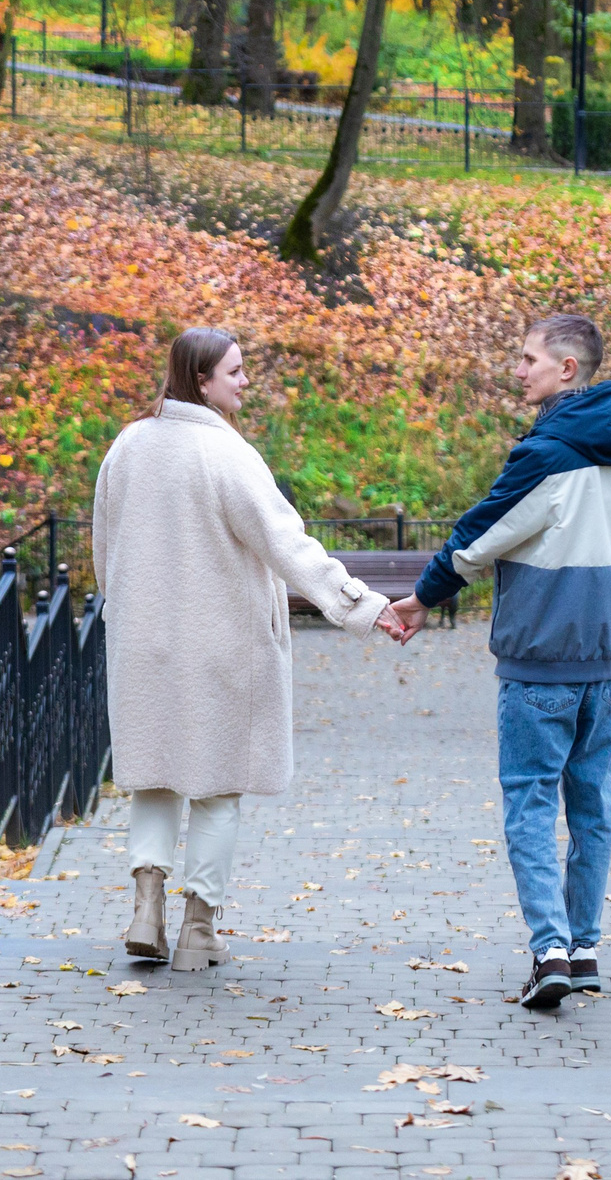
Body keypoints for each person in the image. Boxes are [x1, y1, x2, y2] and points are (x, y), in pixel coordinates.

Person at [93, 327, 399, 971]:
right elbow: (289, 546)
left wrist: (123, 615)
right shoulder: (227, 454)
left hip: (144, 644)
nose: (245, 381)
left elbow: (105, 551)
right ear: (201, 381)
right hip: (221, 647)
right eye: (234, 371)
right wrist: (361, 607)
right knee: (218, 786)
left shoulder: (128, 446)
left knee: (153, 777)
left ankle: (146, 908)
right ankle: (197, 931)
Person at [381, 314, 611, 1011]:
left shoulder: (548, 453)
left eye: (529, 358)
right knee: (592, 806)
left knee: (530, 803)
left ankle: (550, 950)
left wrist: (423, 597)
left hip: (539, 657)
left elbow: (481, 535)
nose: (519, 370)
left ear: (568, 368)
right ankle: (583, 948)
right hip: (601, 657)